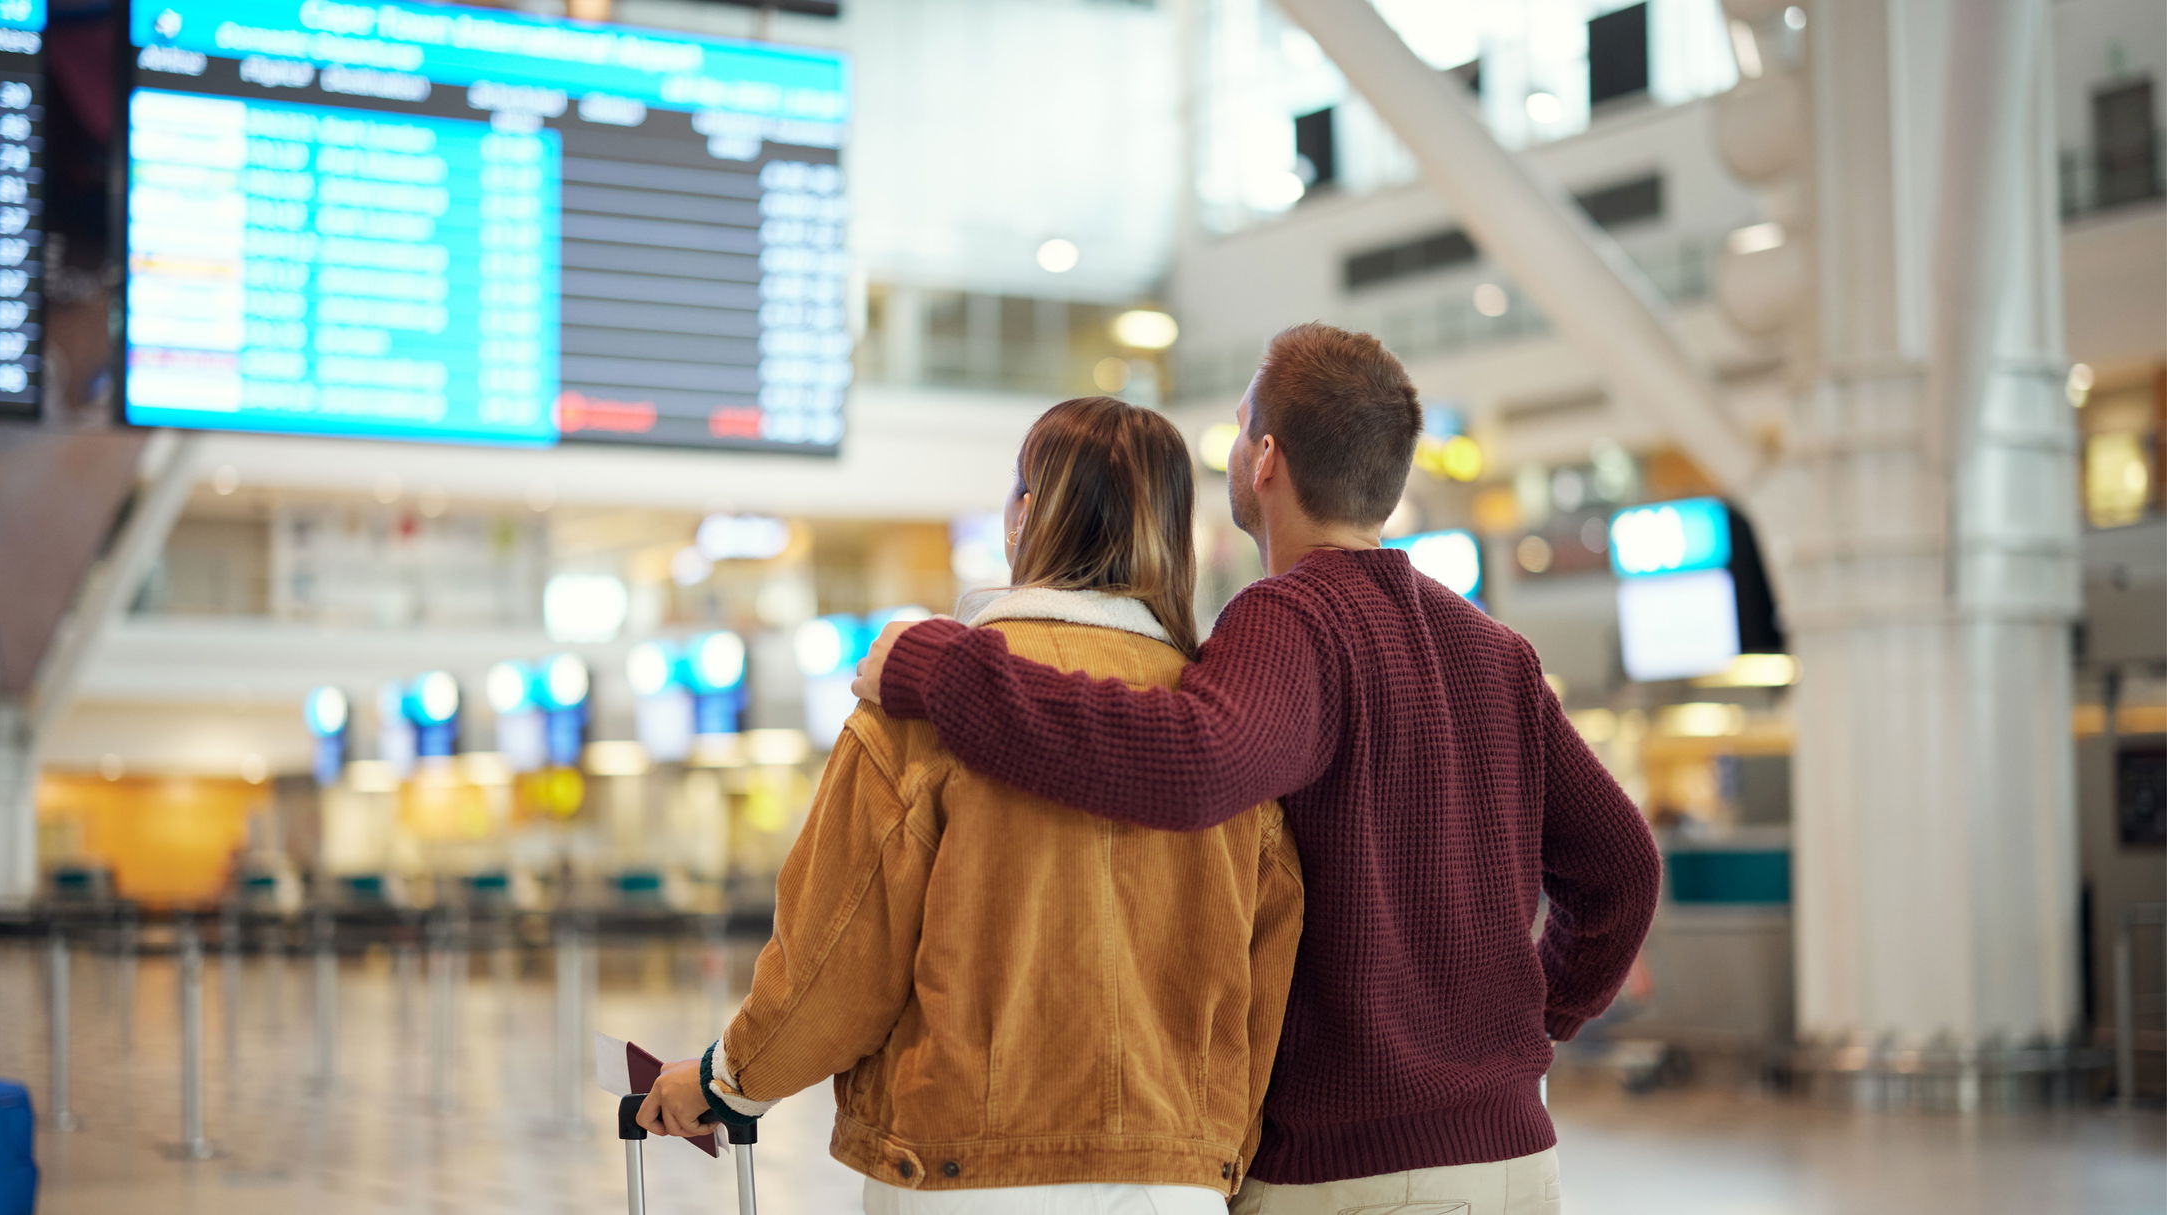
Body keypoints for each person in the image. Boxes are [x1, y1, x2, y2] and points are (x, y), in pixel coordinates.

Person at [853, 324, 1662, 1214]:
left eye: (1240, 429)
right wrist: (1528, 1023)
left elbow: (1191, 761)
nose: (1236, 451)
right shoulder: (1495, 651)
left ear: (1266, 457)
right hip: (1515, 1159)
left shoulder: (1290, 619)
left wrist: (943, 666)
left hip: (1349, 1175)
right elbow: (1623, 867)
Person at [638, 396, 1306, 1215]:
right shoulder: (1223, 726)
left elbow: (838, 953)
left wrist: (728, 1079)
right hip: (1173, 1179)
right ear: (1175, 536)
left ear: (1023, 517)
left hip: (964, 1172)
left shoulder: (921, 704)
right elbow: (1266, 975)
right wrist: (1213, 1149)